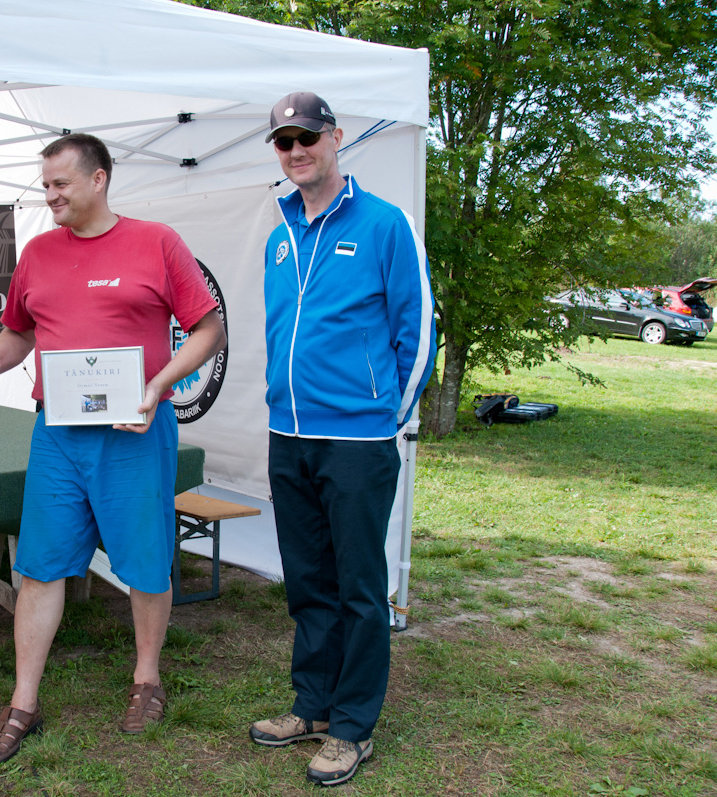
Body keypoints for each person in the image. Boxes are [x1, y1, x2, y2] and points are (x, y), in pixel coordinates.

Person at [0, 133, 226, 765]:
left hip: (134, 434)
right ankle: (22, 703)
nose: (49, 194)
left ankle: (146, 680)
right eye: (45, 184)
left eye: (60, 183)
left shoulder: (156, 241)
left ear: (98, 180)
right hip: (57, 434)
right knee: (39, 566)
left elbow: (209, 328)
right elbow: (18, 331)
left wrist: (160, 385)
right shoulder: (36, 253)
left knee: (144, 563)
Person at [249, 92, 435, 787]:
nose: (296, 150)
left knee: (358, 584)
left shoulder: (386, 224)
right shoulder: (278, 234)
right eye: (283, 141)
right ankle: (313, 705)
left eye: (307, 136)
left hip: (356, 439)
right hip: (286, 434)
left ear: (336, 137)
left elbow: (417, 332)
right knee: (308, 582)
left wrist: (387, 414)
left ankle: (353, 725)